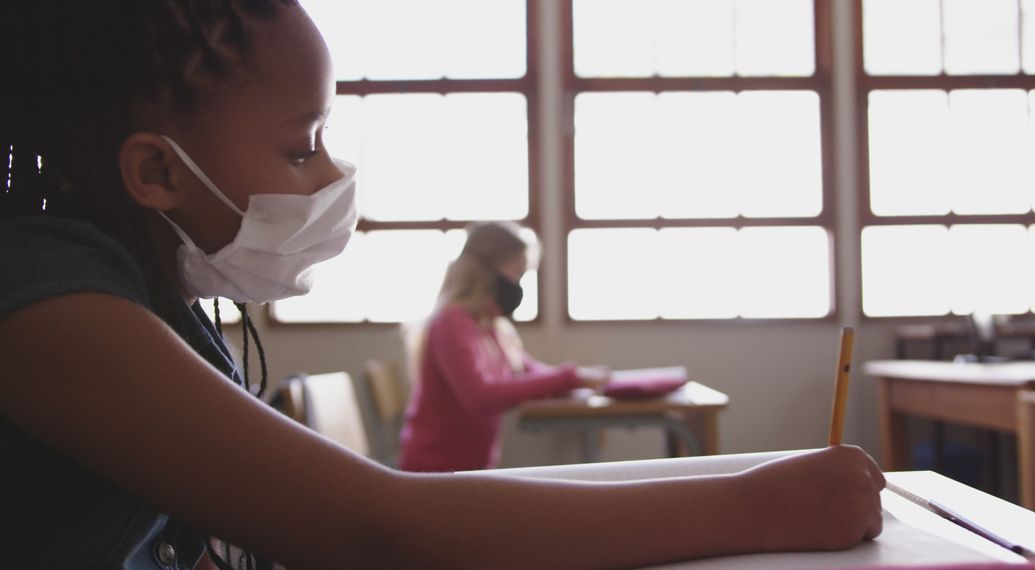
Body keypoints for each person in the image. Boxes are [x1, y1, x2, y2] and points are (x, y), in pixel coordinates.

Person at [0, 1, 885, 568]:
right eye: (301, 146)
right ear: (156, 171)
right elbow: (377, 528)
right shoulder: (48, 306)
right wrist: (760, 507)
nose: (328, 177)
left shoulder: (147, 294)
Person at [397, 221, 609, 473]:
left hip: (469, 470)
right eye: (516, 272)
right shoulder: (451, 322)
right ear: (486, 269)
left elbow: (529, 370)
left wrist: (574, 379)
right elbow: (481, 396)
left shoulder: (491, 327)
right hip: (435, 474)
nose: (518, 285)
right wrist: (568, 378)